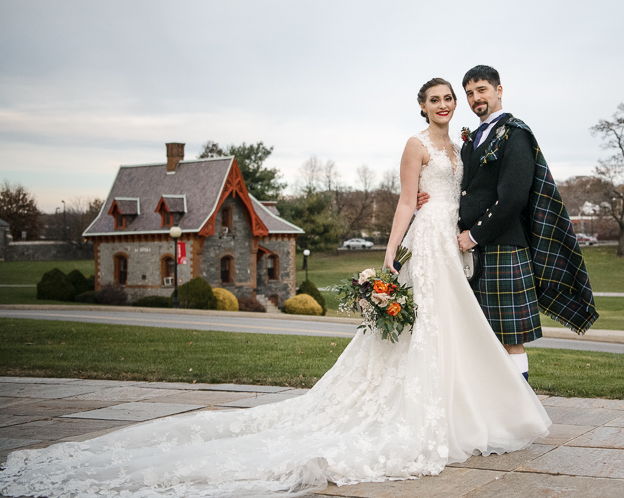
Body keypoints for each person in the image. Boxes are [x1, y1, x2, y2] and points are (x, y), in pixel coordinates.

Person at [0, 78, 550, 498]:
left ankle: (461, 405)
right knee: (423, 330)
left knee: (453, 327)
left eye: (450, 97)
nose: (446, 104)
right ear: (421, 107)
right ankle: (426, 412)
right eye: (436, 99)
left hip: (452, 246)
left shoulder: (463, 148)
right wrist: (388, 259)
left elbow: (476, 191)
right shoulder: (415, 146)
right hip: (425, 246)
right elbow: (407, 201)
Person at [419, 65, 598, 381]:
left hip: (503, 248)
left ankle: (522, 414)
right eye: (470, 93)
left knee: (511, 340)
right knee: (482, 338)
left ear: (499, 90)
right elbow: (460, 185)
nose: (476, 98)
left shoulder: (516, 134)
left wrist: (474, 236)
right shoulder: (472, 139)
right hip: (474, 255)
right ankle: (496, 413)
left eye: (482, 90)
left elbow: (513, 198)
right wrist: (429, 197)